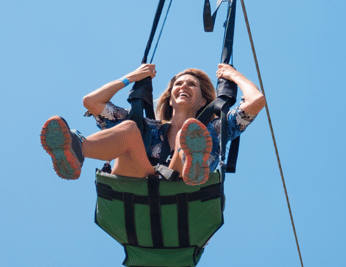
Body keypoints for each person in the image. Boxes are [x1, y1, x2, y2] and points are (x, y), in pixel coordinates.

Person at [41, 63, 265, 185]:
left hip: (180, 188)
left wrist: (233, 75)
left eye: (191, 85)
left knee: (189, 132)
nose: (183, 87)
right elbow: (91, 102)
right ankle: (77, 150)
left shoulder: (216, 129)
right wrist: (131, 77)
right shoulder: (148, 126)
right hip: (136, 181)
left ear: (205, 100)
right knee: (129, 128)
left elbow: (256, 101)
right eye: (178, 84)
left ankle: (191, 161)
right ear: (169, 97)